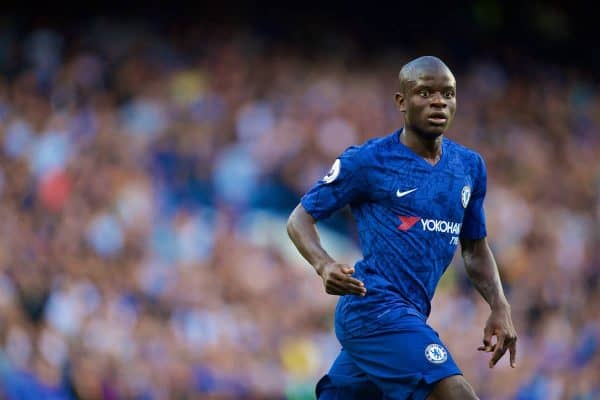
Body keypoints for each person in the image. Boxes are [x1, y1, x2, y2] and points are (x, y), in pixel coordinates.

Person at [286, 56, 517, 400]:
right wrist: (324, 264)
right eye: (425, 92)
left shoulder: (468, 166)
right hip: (373, 307)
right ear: (401, 101)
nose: (439, 101)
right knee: (456, 393)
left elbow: (474, 246)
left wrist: (499, 304)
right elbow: (299, 219)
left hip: (406, 316)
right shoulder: (367, 161)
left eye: (448, 94)